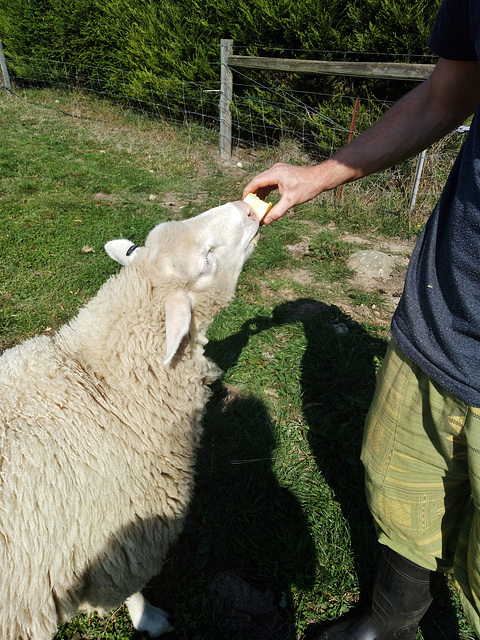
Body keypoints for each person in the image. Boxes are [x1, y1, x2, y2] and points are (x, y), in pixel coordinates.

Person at [243, 1, 480, 638]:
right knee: (400, 491)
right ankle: (387, 622)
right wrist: (316, 177)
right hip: (439, 318)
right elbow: (444, 96)